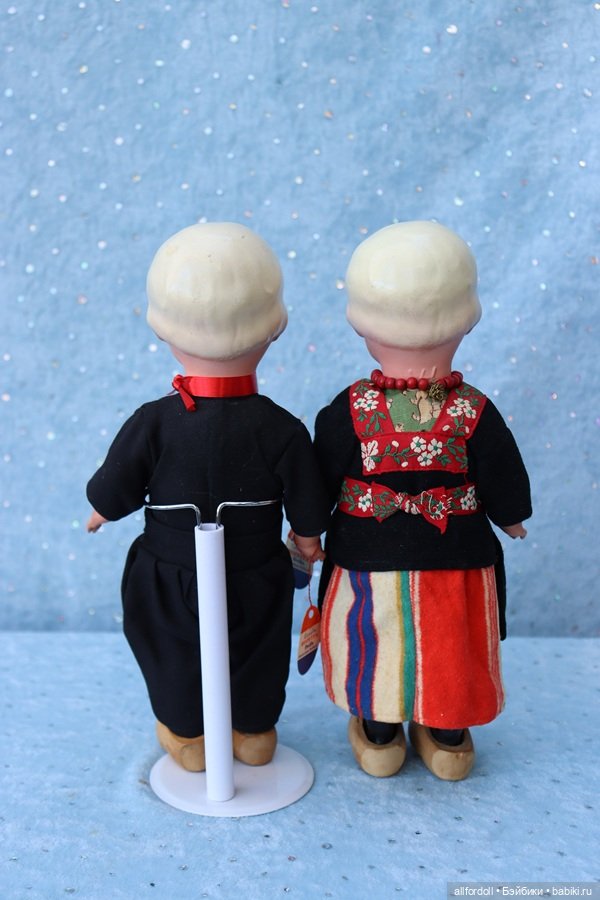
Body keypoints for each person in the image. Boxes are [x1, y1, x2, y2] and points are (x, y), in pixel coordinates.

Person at [87, 222, 328, 772]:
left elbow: (117, 482)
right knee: (258, 648)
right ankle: (253, 728)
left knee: (171, 649)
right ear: (273, 330)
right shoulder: (282, 428)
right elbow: (306, 498)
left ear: (166, 333)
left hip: (170, 571)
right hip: (255, 569)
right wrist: (308, 537)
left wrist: (103, 508)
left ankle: (186, 731)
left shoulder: (154, 421)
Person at [314, 221, 531, 780]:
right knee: (446, 643)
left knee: (379, 641)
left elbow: (319, 477)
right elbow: (501, 469)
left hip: (369, 554)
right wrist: (509, 516)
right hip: (453, 554)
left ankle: (383, 728)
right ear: (466, 321)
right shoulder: (471, 408)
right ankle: (444, 729)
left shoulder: (349, 409)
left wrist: (307, 528)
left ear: (362, 327)